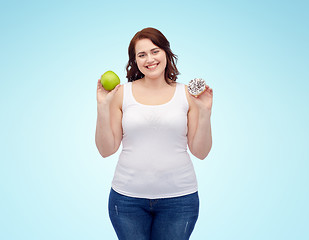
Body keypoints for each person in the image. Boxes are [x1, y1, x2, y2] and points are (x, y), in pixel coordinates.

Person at [95, 27, 213, 240]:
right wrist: (103, 107)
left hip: (180, 200)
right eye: (142, 54)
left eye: (155, 51)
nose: (150, 59)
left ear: (166, 53)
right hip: (126, 200)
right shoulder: (121, 93)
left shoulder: (187, 94)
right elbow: (106, 150)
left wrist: (204, 113)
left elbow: (201, 152)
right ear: (135, 61)